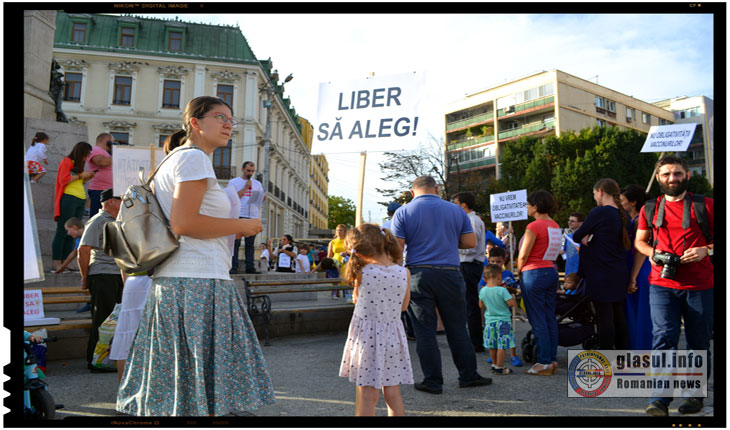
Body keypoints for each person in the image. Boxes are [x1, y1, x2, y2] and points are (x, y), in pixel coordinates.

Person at [116, 96, 274, 416]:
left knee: (181, 394)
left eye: (232, 119)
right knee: (200, 396)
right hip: (197, 282)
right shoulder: (194, 159)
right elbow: (184, 223)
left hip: (179, 282)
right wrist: (243, 225)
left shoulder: (176, 159)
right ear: (195, 123)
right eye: (220, 117)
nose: (229, 124)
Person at [391, 175, 492, 394]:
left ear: (412, 192)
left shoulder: (403, 212)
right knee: (457, 327)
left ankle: (433, 381)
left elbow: (397, 248)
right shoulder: (456, 210)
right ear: (437, 189)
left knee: (424, 330)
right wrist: (446, 239)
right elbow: (469, 242)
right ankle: (468, 376)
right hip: (450, 273)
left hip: (418, 273)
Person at [635, 156, 713, 417]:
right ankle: (658, 399)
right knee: (663, 338)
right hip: (661, 284)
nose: (672, 178)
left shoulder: (707, 205)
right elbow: (640, 242)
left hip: (700, 284)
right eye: (666, 174)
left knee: (697, 343)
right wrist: (653, 253)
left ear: (687, 176)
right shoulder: (650, 208)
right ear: (658, 178)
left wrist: (706, 249)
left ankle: (693, 397)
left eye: (677, 173)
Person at [339, 223, 412, 416]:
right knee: (393, 393)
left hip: (367, 340)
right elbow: (403, 307)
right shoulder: (404, 272)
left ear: (360, 252)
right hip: (393, 337)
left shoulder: (363, 273)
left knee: (367, 396)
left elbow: (357, 301)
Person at [572, 178, 630, 351]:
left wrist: (587, 237)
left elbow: (577, 235)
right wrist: (591, 236)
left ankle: (606, 358)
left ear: (601, 191)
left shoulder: (600, 212)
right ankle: (622, 356)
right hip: (619, 271)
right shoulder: (622, 214)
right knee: (619, 316)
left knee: (604, 319)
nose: (594, 196)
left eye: (594, 193)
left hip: (601, 273)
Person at [78, 188, 124, 373]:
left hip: (117, 273)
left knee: (114, 319)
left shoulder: (118, 221)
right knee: (103, 318)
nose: (123, 203)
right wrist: (85, 277)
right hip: (103, 274)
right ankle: (96, 361)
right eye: (120, 199)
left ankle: (110, 358)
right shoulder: (98, 220)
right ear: (111, 201)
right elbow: (83, 249)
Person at [516, 190, 561, 376]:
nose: (526, 207)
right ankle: (552, 359)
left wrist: (518, 271)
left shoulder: (533, 226)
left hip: (533, 272)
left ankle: (543, 362)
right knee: (549, 317)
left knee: (537, 318)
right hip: (551, 270)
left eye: (528, 204)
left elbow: (524, 254)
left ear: (535, 207)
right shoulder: (555, 225)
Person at [452, 191, 487, 353]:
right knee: (468, 303)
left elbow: (470, 246)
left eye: (456, 203)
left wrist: (452, 247)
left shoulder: (472, 221)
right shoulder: (470, 220)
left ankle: (475, 341)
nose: (454, 207)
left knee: (470, 304)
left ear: (463, 205)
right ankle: (474, 340)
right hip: (467, 265)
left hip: (469, 265)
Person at [52, 142, 95, 272]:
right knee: (62, 230)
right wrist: (82, 175)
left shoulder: (78, 165)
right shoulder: (66, 161)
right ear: (80, 152)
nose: (87, 157)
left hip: (80, 198)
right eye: (86, 154)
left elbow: (77, 182)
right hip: (69, 198)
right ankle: (57, 262)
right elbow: (63, 180)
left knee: (73, 232)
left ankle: (66, 261)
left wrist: (86, 178)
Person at [620, 184, 653, 351]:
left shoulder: (641, 219)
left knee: (641, 315)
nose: (621, 203)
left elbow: (641, 249)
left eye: (623, 200)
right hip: (635, 268)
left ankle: (642, 351)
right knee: (634, 314)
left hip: (639, 269)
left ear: (633, 202)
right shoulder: (632, 219)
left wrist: (633, 277)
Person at [109, 271, 153, 382]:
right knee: (151, 336)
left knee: (126, 338)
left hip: (132, 281)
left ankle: (123, 391)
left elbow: (122, 265)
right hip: (154, 278)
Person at [482, 247, 523, 366]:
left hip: (505, 313)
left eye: (498, 262)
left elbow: (515, 289)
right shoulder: (487, 275)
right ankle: (495, 358)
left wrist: (510, 289)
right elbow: (481, 289)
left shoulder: (507, 274)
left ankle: (513, 355)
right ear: (489, 261)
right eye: (492, 261)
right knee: (495, 337)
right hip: (494, 314)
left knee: (508, 335)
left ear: (504, 260)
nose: (495, 264)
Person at [479, 264, 517, 375]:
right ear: (500, 277)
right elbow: (512, 304)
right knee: (502, 345)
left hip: (490, 322)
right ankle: (500, 367)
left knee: (493, 345)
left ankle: (494, 364)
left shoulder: (483, 291)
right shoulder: (502, 291)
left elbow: (481, 306)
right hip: (503, 322)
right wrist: (512, 297)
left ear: (485, 279)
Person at [229, 161, 265, 274]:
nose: (250, 173)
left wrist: (262, 198)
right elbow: (232, 198)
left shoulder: (257, 184)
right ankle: (233, 267)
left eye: (252, 171)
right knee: (236, 243)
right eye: (248, 170)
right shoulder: (234, 182)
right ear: (243, 169)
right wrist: (245, 188)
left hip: (253, 215)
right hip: (239, 215)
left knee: (250, 244)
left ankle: (250, 267)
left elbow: (260, 198)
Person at [85, 133, 115, 218]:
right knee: (97, 218)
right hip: (100, 189)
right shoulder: (95, 149)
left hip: (107, 189)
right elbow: (102, 162)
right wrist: (118, 154)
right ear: (106, 140)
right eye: (112, 142)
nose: (113, 145)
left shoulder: (106, 153)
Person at [328, 225, 350, 300]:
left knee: (344, 278)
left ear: (344, 232)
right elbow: (329, 255)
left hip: (344, 261)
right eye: (337, 230)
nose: (339, 232)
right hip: (335, 261)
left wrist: (346, 252)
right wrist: (328, 264)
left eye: (341, 230)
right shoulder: (332, 242)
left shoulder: (347, 241)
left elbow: (351, 250)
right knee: (335, 278)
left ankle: (346, 295)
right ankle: (335, 294)